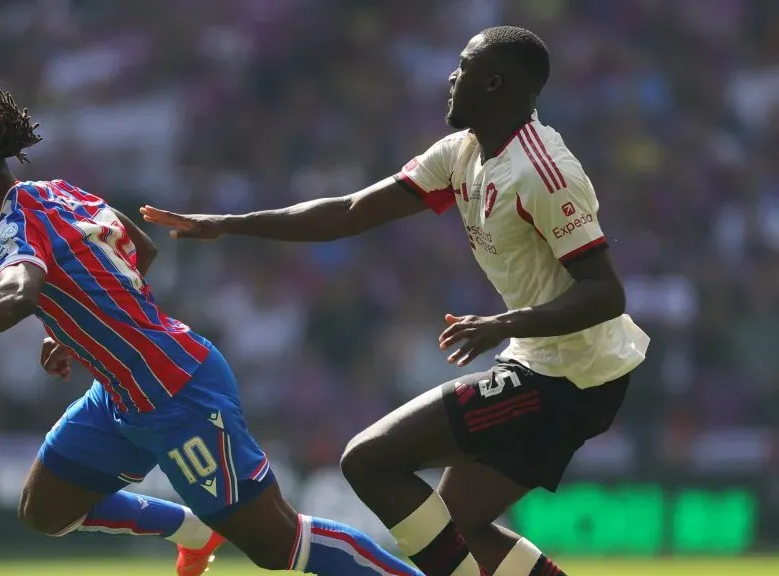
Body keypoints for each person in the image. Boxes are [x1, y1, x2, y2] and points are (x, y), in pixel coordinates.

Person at [0, 67, 423, 576]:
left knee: (279, 543)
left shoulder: (10, 230)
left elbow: (18, 293)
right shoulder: (56, 192)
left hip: (178, 392)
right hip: (120, 396)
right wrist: (73, 330)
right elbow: (140, 248)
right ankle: (191, 528)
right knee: (44, 510)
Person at [141, 26, 649, 576]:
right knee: (456, 526)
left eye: (464, 66)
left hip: (571, 375)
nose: (451, 78)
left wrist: (503, 323)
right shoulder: (462, 155)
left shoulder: (543, 173)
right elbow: (350, 210)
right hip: (546, 362)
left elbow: (605, 293)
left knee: (370, 460)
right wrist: (233, 224)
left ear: (494, 82)